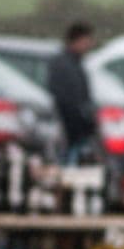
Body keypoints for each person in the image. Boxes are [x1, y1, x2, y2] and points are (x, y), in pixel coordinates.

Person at [47, 21, 98, 163]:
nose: (89, 45)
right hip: (71, 130)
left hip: (75, 129)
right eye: (87, 41)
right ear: (76, 40)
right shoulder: (65, 65)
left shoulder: (73, 63)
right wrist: (81, 125)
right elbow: (68, 100)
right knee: (68, 166)